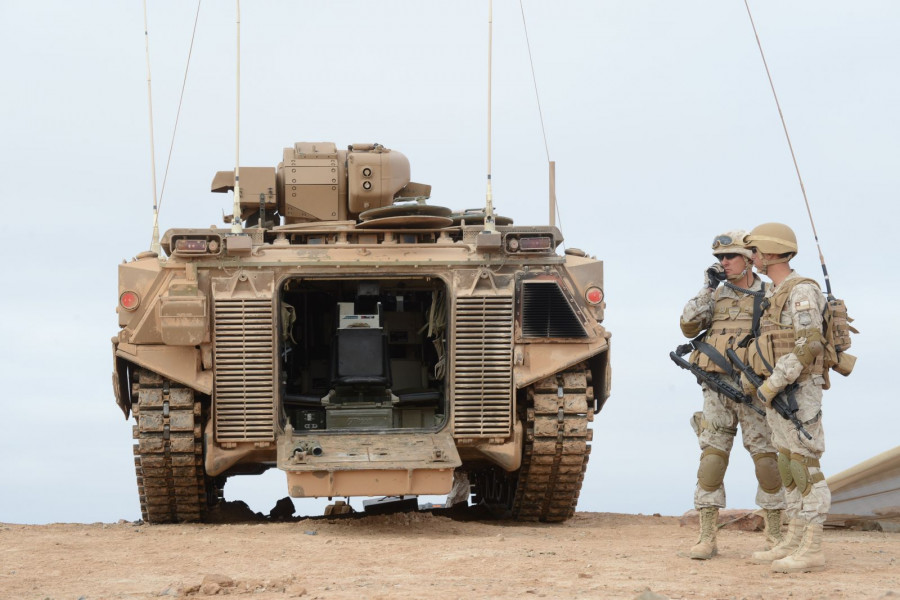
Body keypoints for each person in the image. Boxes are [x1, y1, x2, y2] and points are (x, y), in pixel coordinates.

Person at [680, 231, 785, 560]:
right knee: (712, 459)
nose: (724, 263)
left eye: (730, 257)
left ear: (750, 257)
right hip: (716, 387)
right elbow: (686, 324)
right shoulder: (715, 293)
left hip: (754, 390)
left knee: (767, 461)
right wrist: (708, 289)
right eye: (720, 259)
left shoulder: (770, 292)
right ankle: (707, 536)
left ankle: (774, 535)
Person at [743, 222, 830, 573]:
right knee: (788, 465)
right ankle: (793, 539)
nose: (752, 258)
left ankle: (813, 547)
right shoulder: (776, 292)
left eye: (754, 252)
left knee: (806, 466)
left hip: (797, 391)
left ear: (770, 253)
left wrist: (773, 383)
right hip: (779, 392)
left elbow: (809, 345)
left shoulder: (801, 292)